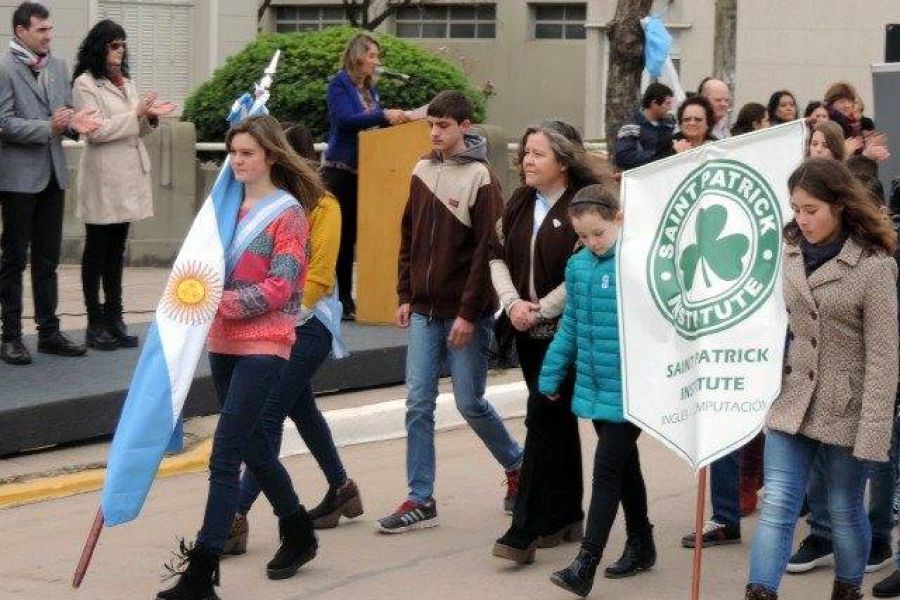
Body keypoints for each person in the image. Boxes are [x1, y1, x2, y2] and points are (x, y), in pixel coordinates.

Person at [157, 115, 323, 600]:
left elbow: (282, 284)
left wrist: (219, 303)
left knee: (225, 452)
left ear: (270, 155)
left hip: (267, 341)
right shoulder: (222, 207)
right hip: (221, 340)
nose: (237, 161)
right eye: (233, 152)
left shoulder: (288, 213)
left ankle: (202, 570)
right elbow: (200, 267)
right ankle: (297, 529)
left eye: (247, 153)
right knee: (251, 445)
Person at [745, 157, 899, 600]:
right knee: (776, 505)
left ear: (839, 205)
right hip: (791, 402)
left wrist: (872, 435)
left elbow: (885, 358)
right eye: (795, 208)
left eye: (811, 209)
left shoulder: (874, 266)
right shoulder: (786, 251)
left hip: (846, 410)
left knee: (844, 510)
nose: (801, 218)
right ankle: (759, 592)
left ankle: (846, 590)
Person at [376, 90, 523, 533]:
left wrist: (467, 313)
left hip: (466, 314)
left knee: (469, 402)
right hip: (423, 309)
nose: (436, 132)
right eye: (431, 125)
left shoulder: (481, 178)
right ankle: (420, 498)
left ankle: (519, 464)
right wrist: (405, 294)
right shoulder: (421, 170)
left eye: (444, 125)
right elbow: (409, 238)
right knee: (417, 404)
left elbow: (488, 251)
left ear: (466, 126)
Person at [222, 122, 360, 557]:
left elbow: (318, 277)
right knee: (302, 409)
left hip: (309, 324)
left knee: (263, 419)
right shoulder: (257, 205)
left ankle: (236, 515)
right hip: (273, 323)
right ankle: (342, 487)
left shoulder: (323, 206)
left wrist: (276, 314)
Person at [489, 120, 603, 565]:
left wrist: (542, 308)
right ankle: (566, 515)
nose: (527, 161)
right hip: (526, 331)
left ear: (563, 160)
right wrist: (513, 303)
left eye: (537, 154)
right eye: (525, 153)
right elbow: (495, 255)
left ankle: (527, 526)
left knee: (541, 418)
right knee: (554, 422)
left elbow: (585, 264)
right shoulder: (520, 203)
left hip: (570, 332)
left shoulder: (584, 205)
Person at [541, 183, 655, 598]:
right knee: (625, 467)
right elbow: (570, 324)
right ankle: (642, 542)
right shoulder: (579, 266)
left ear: (618, 220)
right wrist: (553, 372)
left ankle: (585, 563)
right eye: (583, 236)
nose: (591, 242)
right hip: (595, 383)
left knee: (606, 470)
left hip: (632, 387)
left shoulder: (639, 262)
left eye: (598, 233)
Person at [0, 1, 99, 365]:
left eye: (50, 29)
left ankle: (49, 332)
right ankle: (10, 336)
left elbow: (62, 116)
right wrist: (50, 127)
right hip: (17, 180)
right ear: (21, 31)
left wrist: (77, 123)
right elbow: (5, 124)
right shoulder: (4, 68)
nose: (48, 36)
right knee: (13, 259)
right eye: (41, 30)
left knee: (48, 259)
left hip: (53, 175)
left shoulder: (58, 67)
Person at [71, 19, 174, 351]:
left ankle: (115, 317)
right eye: (115, 45)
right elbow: (96, 130)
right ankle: (94, 321)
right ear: (100, 47)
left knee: (117, 250)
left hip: (127, 176)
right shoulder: (85, 84)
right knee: (96, 250)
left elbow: (136, 129)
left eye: (123, 45)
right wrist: (135, 115)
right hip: (103, 178)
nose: (120, 51)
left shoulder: (125, 82)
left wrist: (149, 117)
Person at [323, 32, 409, 321]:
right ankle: (343, 299)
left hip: (369, 173)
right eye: (371, 56)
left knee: (366, 236)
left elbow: (374, 130)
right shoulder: (339, 85)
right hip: (341, 171)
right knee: (344, 238)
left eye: (376, 56)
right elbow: (346, 120)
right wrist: (384, 115)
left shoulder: (370, 91)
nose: (376, 62)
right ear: (357, 56)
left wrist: (397, 122)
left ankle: (370, 297)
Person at [612, 82, 675, 170]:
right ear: (654, 103)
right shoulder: (631, 127)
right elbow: (622, 157)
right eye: (667, 103)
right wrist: (658, 155)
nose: (669, 108)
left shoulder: (669, 125)